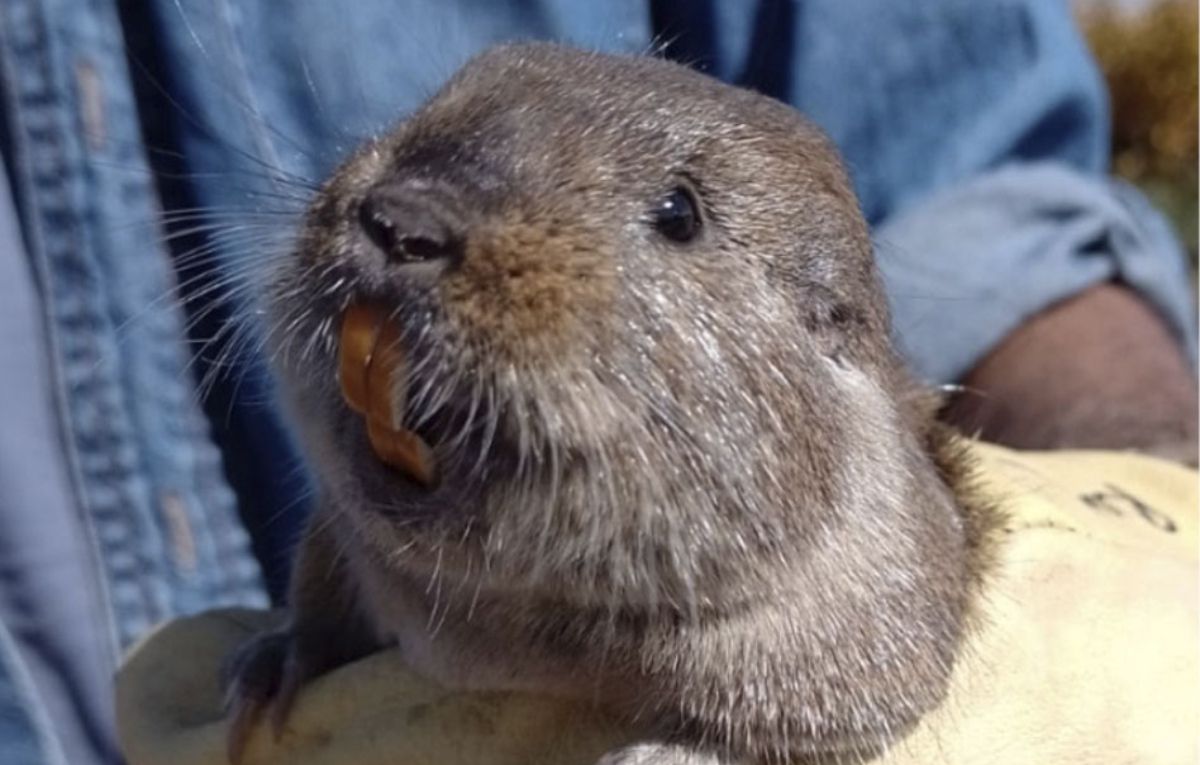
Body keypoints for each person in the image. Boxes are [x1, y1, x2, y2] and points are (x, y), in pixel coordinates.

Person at [0, 1, 1194, 763]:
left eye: (674, 218)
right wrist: (308, 644)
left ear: (827, 326)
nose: (401, 219)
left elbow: (983, 178)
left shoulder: (856, 569)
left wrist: (1164, 502)